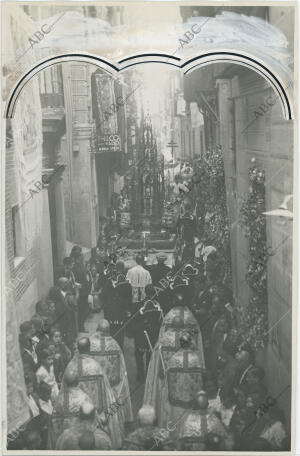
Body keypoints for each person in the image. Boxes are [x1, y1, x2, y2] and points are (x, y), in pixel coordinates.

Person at [62, 337, 123, 449]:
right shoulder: (95, 367)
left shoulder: (70, 367)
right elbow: (106, 392)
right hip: (94, 415)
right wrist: (113, 406)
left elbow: (64, 392)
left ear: (78, 349)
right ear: (89, 348)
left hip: (74, 416)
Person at [144, 337, 205, 441]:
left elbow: (167, 383)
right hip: (192, 403)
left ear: (180, 344)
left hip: (175, 404)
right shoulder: (196, 359)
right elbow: (200, 381)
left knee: (174, 429)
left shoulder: (174, 359)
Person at [90, 320, 133, 428]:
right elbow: (121, 369)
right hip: (112, 385)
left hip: (95, 385)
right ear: (108, 331)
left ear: (97, 330)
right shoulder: (115, 344)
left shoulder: (90, 343)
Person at [49, 370, 91, 449]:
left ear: (65, 383)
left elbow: (55, 420)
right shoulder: (84, 397)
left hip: (66, 435)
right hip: (82, 435)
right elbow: (91, 417)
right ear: (77, 382)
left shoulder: (60, 398)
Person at [133, 284, 163, 382]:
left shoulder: (139, 304)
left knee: (138, 354)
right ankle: (149, 375)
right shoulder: (158, 305)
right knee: (150, 354)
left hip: (141, 334)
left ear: (145, 292)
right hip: (153, 334)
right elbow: (160, 320)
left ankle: (140, 375)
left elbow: (135, 319)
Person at [103, 263, 131, 349]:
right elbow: (129, 297)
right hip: (120, 310)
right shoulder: (126, 282)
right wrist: (127, 309)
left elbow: (103, 295)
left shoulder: (108, 281)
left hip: (111, 310)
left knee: (111, 329)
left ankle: (111, 347)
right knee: (120, 330)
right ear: (123, 269)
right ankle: (119, 349)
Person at [48, 277, 77, 349]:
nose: (68, 284)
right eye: (67, 282)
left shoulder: (66, 292)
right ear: (62, 284)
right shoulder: (56, 293)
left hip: (68, 317)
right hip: (62, 319)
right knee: (64, 333)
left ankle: (70, 344)